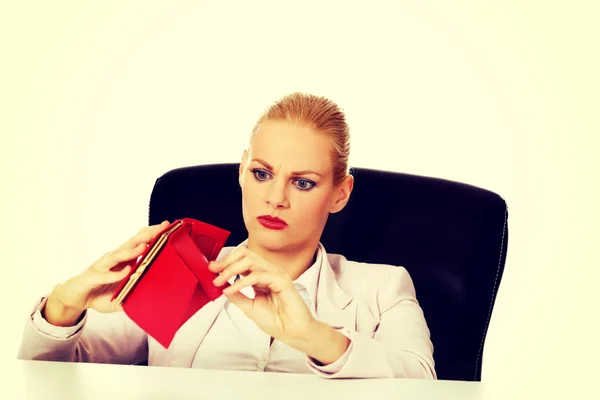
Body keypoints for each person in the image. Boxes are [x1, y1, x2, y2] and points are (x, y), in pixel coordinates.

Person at [17, 92, 436, 379]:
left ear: (339, 194)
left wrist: (311, 335)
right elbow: (45, 378)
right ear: (242, 171)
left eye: (303, 183)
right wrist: (63, 304)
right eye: (262, 173)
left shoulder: (382, 287)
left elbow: (424, 384)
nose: (275, 198)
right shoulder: (181, 274)